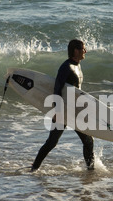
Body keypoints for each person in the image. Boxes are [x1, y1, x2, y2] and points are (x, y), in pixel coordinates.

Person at [31, 40, 95, 172]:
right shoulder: (66, 67)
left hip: (74, 110)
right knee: (52, 142)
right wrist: (58, 111)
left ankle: (91, 170)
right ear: (76, 51)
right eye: (83, 49)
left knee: (88, 140)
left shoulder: (77, 65)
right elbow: (57, 88)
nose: (85, 51)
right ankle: (34, 168)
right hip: (64, 110)